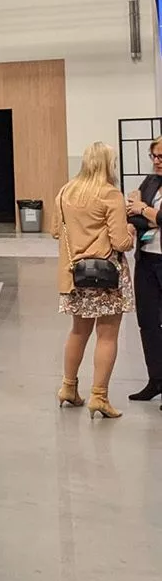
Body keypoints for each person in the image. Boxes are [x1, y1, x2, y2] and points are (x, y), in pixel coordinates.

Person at [54, 142, 135, 420]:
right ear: (108, 164)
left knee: (78, 331)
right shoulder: (110, 194)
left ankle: (68, 388)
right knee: (107, 334)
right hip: (106, 276)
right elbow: (120, 242)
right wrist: (131, 231)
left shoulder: (66, 191)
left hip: (75, 275)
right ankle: (99, 396)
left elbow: (55, 231)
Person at [125, 135, 162, 401]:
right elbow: (131, 215)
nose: (157, 161)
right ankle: (156, 380)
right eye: (154, 156)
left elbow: (141, 211)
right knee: (147, 322)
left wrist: (144, 210)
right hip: (147, 260)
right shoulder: (150, 182)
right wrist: (150, 217)